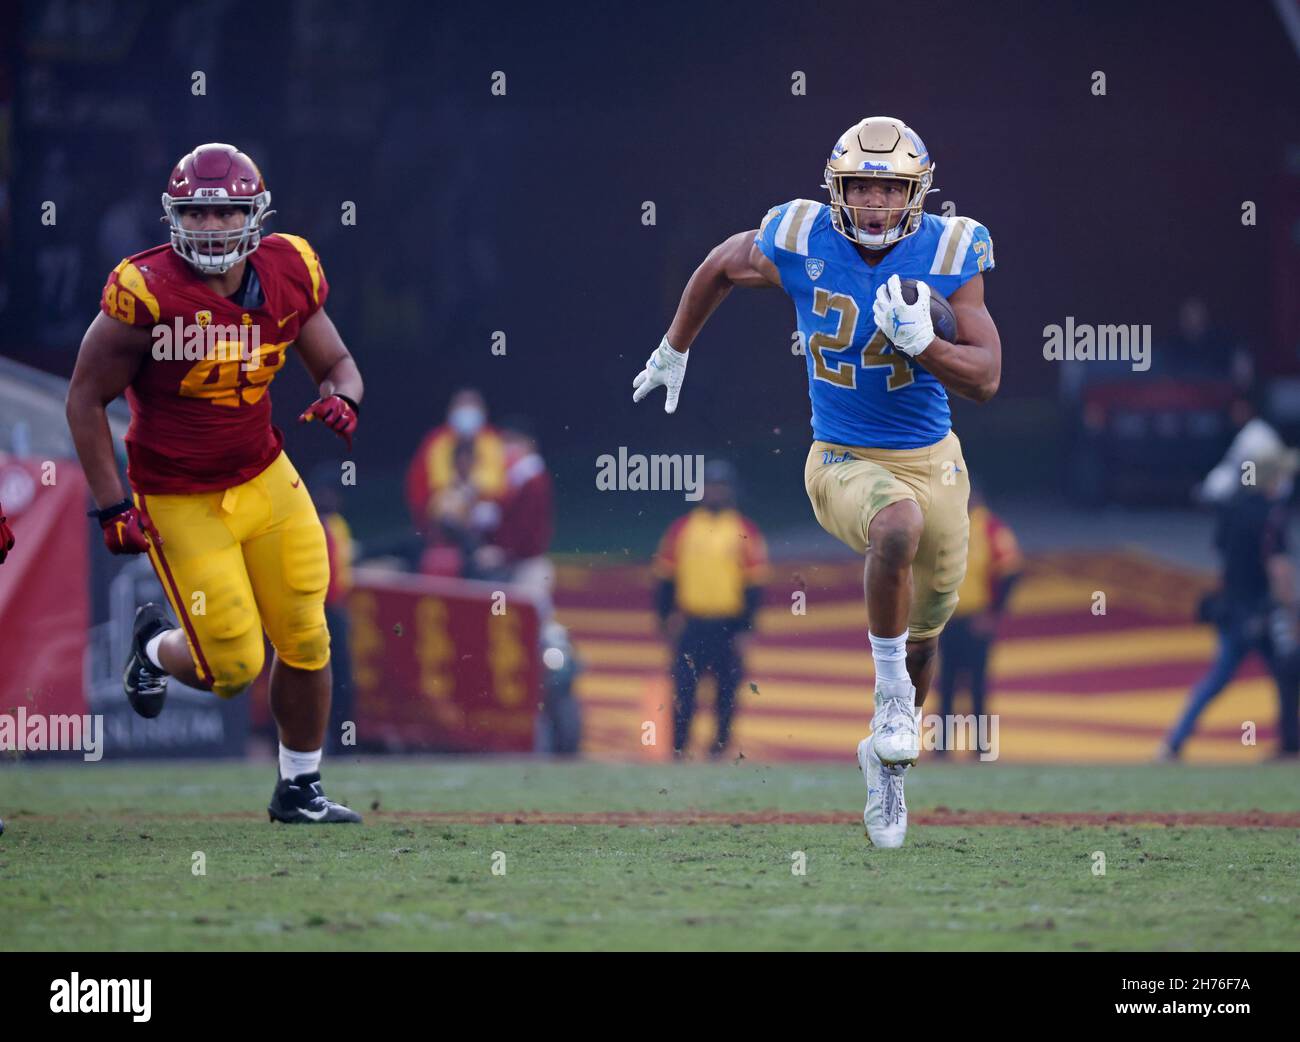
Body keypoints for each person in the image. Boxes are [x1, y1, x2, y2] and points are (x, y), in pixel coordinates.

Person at [633, 116, 1001, 846]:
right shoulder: (800, 237)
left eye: (888, 188)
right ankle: (889, 697)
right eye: (860, 185)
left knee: (927, 636)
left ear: (915, 195)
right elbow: (720, 265)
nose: (872, 202)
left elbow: (987, 377)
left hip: (936, 460)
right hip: (839, 456)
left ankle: (887, 770)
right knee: (895, 525)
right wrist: (676, 347)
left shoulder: (951, 249)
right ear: (836, 188)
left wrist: (924, 344)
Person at [65, 143, 363, 823]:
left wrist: (345, 396)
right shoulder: (145, 291)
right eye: (197, 213)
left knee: (307, 636)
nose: (210, 227)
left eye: (225, 211)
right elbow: (85, 399)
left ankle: (300, 788)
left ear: (254, 215)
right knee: (232, 667)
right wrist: (113, 504)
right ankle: (153, 648)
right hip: (179, 494)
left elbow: (338, 363)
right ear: (175, 216)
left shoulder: (289, 268)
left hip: (266, 478)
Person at [1159, 441, 1300, 760]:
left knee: (1222, 678)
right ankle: (1290, 744)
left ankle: (1174, 742)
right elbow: (1278, 569)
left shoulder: (1233, 510)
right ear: (1272, 479)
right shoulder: (1271, 516)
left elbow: (1219, 560)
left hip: (1233, 608)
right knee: (1285, 672)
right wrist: (1290, 610)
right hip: (1261, 612)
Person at [653, 461, 769, 758]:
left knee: (727, 693)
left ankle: (719, 749)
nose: (714, 492)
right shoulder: (683, 528)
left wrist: (746, 628)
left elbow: (754, 585)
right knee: (684, 690)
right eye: (709, 486)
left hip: (728, 625)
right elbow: (666, 578)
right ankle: (678, 749)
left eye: (720, 486)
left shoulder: (744, 530)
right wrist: (665, 619)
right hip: (691, 623)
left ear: (730, 491)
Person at [935, 488, 1022, 755]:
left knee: (977, 685)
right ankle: (942, 747)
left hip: (976, 619)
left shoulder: (992, 529)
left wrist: (992, 614)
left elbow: (1010, 572)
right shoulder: (944, 526)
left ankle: (980, 748)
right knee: (946, 683)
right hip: (947, 620)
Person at [405, 388, 506, 548]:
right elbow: (434, 482)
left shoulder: (492, 440)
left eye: (472, 407)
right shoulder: (438, 441)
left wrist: (472, 490)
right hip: (447, 506)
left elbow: (496, 481)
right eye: (462, 406)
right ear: (451, 412)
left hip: (479, 503)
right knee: (446, 507)